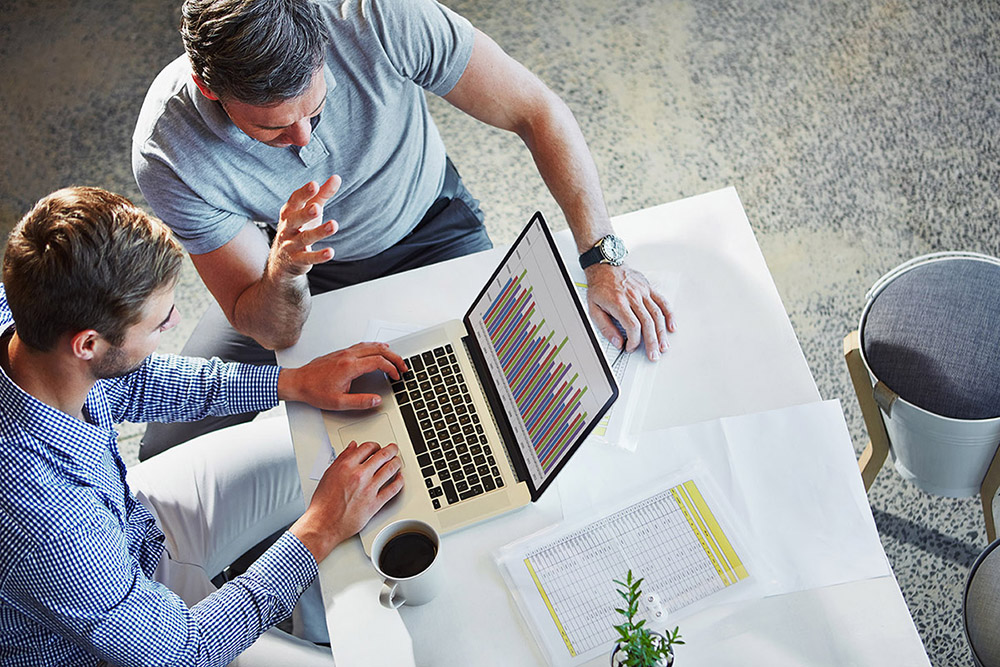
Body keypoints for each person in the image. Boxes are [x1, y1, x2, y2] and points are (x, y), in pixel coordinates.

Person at [132, 0, 674, 459]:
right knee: (170, 452)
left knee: (495, 419)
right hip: (293, 267)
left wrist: (603, 255)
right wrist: (287, 267)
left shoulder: (378, 16)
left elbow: (537, 111)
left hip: (432, 230)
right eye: (270, 128)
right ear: (208, 87)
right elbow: (274, 331)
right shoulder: (169, 151)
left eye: (316, 111)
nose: (302, 141)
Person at [0, 186, 405, 666]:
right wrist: (318, 531)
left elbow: (134, 379)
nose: (175, 322)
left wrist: (292, 382)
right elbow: (180, 650)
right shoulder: (43, 515)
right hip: (124, 641)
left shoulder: (31, 318)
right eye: (159, 322)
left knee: (322, 435)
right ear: (87, 344)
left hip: (131, 526)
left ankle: (311, 619)